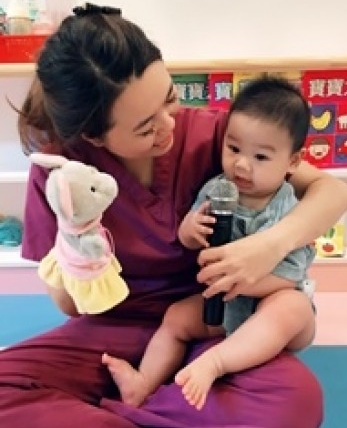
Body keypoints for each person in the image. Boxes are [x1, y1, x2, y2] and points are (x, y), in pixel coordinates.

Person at [0, 3, 347, 428]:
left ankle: (109, 423)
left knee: (296, 406)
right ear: (94, 138)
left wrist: (267, 247)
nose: (169, 125)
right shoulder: (61, 172)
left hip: (207, 323)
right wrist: (77, 234)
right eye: (145, 127)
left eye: (169, 99)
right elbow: (71, 306)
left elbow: (335, 192)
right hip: (110, 330)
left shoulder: (217, 137)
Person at [102, 76, 317, 411]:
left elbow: (290, 274)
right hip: (223, 305)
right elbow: (190, 236)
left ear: (292, 162)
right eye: (233, 149)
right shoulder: (217, 189)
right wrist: (190, 230)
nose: (241, 164)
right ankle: (142, 384)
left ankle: (215, 362)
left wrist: (243, 280)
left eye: (261, 157)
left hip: (270, 306)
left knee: (293, 307)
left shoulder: (288, 207)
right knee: (176, 317)